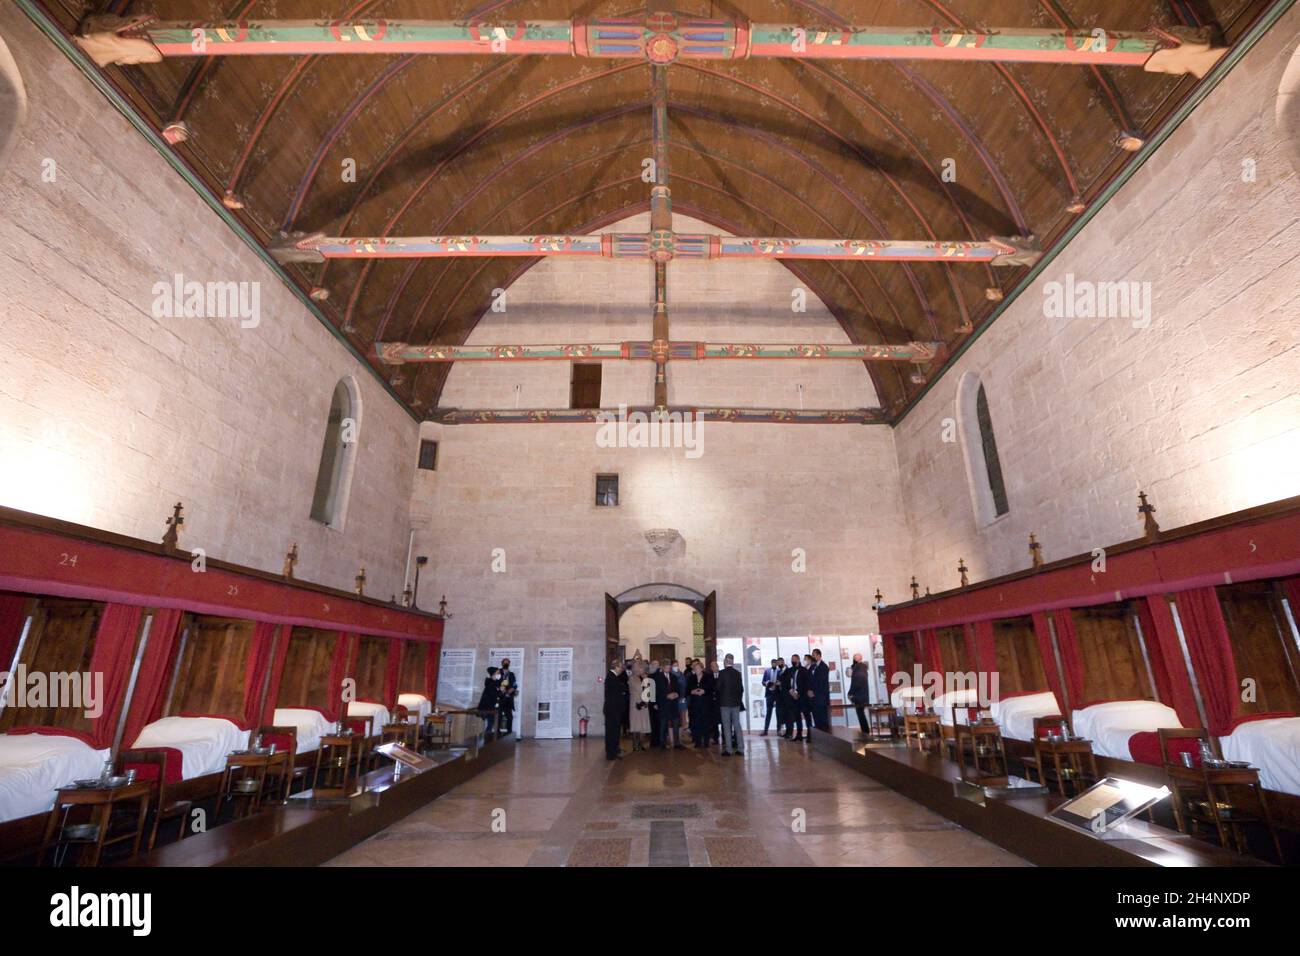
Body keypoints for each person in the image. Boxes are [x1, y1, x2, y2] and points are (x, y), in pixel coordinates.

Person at [716, 654, 746, 756]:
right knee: (737, 725)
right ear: (732, 662)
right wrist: (738, 700)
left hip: (724, 703)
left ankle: (729, 749)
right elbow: (741, 689)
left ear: (725, 662)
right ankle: (740, 748)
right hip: (736, 704)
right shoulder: (738, 673)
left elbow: (718, 688)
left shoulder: (722, 673)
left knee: (726, 726)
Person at [685, 660, 715, 749]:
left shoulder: (708, 677)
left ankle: (706, 742)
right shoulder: (691, 678)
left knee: (706, 723)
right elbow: (687, 690)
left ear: (702, 669)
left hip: (705, 704)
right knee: (696, 723)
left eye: (698, 668)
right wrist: (692, 691)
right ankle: (697, 742)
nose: (697, 669)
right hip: (694, 704)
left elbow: (712, 688)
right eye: (695, 668)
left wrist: (704, 691)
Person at [603, 659, 628, 760]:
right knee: (612, 732)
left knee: (615, 731)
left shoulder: (614, 677)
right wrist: (623, 691)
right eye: (620, 667)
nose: (622, 669)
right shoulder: (611, 677)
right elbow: (619, 691)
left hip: (615, 710)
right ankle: (611, 754)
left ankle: (615, 750)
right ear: (616, 667)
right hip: (612, 710)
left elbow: (622, 689)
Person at [657, 661, 684, 748]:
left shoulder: (673, 677)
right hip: (664, 704)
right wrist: (666, 696)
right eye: (667, 667)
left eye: (669, 667)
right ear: (662, 667)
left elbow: (678, 689)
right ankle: (662, 743)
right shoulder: (658, 677)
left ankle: (677, 743)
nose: (668, 669)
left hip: (673, 704)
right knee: (663, 724)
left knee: (676, 723)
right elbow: (656, 692)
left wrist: (676, 694)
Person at [628, 661, 652, 751]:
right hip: (635, 703)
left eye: (641, 668)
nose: (639, 669)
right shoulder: (632, 678)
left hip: (644, 703)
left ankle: (641, 743)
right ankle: (635, 744)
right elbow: (635, 690)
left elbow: (649, 691)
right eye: (638, 668)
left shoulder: (646, 678)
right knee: (635, 724)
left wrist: (646, 701)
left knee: (643, 724)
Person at [783, 655, 808, 741]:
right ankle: (798, 734)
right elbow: (786, 683)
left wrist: (797, 692)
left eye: (794, 659)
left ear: (798, 660)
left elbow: (804, 684)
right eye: (791, 660)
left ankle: (809, 735)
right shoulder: (789, 670)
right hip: (792, 696)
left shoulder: (803, 670)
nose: (792, 661)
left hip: (801, 697)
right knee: (796, 716)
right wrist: (791, 691)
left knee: (805, 715)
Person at [848, 652, 872, 734]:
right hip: (862, 695)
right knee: (861, 714)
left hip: (859, 696)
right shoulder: (862, 668)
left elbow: (857, 682)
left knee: (860, 714)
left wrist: (850, 693)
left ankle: (865, 732)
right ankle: (865, 731)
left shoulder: (859, 669)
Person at [809, 649, 831, 731]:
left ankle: (825, 736)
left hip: (821, 697)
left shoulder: (824, 667)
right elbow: (810, 680)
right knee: (816, 717)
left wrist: (814, 691)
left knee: (823, 718)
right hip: (814, 698)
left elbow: (822, 683)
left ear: (819, 655)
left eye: (814, 655)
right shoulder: (813, 666)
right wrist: (809, 690)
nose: (813, 656)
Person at [496, 658, 518, 736]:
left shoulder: (511, 674)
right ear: (502, 663)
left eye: (507, 663)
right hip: (500, 699)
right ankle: (497, 735)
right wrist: (502, 690)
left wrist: (510, 691)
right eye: (505, 663)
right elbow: (496, 683)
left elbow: (515, 685)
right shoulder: (498, 672)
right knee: (499, 717)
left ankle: (509, 734)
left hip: (508, 699)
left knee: (509, 717)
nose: (506, 664)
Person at [761, 658, 783, 736]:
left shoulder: (780, 671)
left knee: (778, 713)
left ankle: (779, 730)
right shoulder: (767, 671)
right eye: (772, 663)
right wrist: (767, 683)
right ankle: (765, 730)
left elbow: (782, 682)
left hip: (778, 695)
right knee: (768, 713)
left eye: (775, 663)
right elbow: (763, 682)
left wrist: (778, 684)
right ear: (771, 663)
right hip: (769, 694)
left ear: (776, 664)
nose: (774, 664)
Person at [477, 666, 500, 737]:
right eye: (498, 673)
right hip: (488, 707)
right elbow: (492, 695)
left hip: (492, 707)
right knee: (490, 723)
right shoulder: (490, 683)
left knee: (491, 723)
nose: (499, 674)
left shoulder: (495, 682)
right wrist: (499, 691)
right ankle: (485, 738)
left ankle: (486, 738)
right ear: (493, 674)